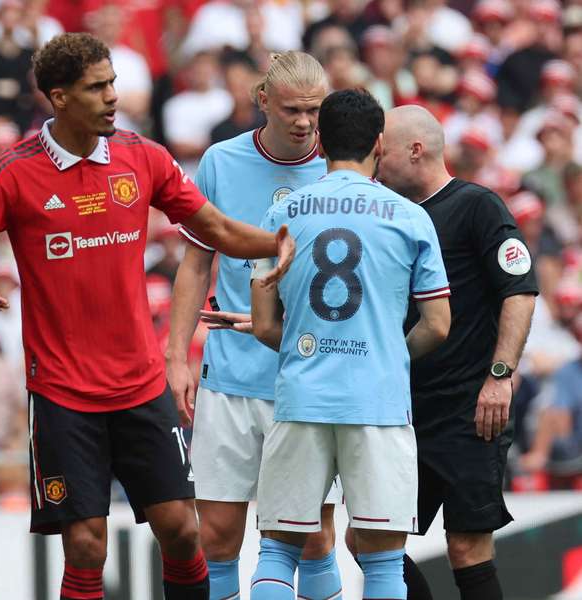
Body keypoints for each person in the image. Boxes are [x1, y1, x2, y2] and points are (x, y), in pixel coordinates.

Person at [0, 32, 293, 600]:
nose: (112, 97)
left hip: (140, 385)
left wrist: (281, 241)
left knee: (180, 530)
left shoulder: (141, 156)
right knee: (85, 545)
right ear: (59, 97)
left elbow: (218, 230)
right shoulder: (11, 173)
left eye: (113, 84)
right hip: (61, 392)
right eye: (96, 87)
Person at [250, 89, 452, 600]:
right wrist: (386, 353)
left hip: (301, 397)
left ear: (320, 141)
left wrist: (308, 349)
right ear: (379, 144)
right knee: (383, 563)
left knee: (278, 552)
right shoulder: (409, 216)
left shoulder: (283, 213)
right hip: (377, 404)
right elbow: (438, 325)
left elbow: (263, 324)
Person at [166, 51, 342, 600]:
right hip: (229, 375)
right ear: (262, 100)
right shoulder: (221, 161)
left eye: (315, 110)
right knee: (216, 535)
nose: (304, 122)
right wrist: (176, 357)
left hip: (309, 376)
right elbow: (196, 263)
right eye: (292, 108)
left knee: (310, 536)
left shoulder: (343, 166)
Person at [372, 104, 538, 600]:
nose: (375, 162)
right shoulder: (390, 213)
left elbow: (520, 290)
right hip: (403, 410)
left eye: (383, 152)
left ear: (415, 150)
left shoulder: (477, 206)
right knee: (371, 540)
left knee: (467, 547)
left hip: (470, 410)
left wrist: (500, 375)